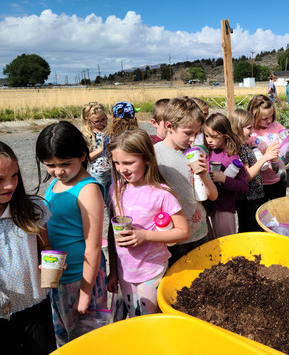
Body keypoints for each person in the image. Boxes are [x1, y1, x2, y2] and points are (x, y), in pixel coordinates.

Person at [35, 121, 107, 347]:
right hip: (58, 276)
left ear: (83, 155)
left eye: (65, 164)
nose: (58, 171)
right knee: (65, 336)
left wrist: (86, 293)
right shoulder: (56, 183)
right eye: (50, 165)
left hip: (81, 277)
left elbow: (93, 245)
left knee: (88, 340)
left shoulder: (88, 189)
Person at [106, 129, 189, 318]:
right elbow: (113, 233)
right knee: (133, 319)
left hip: (151, 273)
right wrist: (113, 271)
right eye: (117, 163)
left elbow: (183, 231)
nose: (121, 169)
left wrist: (145, 235)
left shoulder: (162, 194)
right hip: (124, 273)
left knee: (150, 320)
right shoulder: (115, 189)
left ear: (148, 159)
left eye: (128, 163)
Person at [0, 141, 56, 354]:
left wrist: (52, 264)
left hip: (36, 309)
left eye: (15, 175)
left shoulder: (33, 209)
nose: (10, 185)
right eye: (0, 179)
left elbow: (46, 247)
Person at [154, 97, 217, 265]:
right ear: (169, 126)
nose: (192, 139)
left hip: (200, 231)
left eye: (196, 134)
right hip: (174, 237)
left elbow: (212, 196)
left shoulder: (195, 154)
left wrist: (203, 174)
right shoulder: (155, 156)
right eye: (188, 133)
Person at [229, 109, 279, 232]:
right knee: (248, 230)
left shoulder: (244, 145)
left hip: (254, 197)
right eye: (248, 128)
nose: (252, 131)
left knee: (255, 227)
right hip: (247, 199)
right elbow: (247, 176)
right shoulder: (239, 149)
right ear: (238, 128)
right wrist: (265, 158)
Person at [204, 113, 248, 238]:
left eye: (214, 136)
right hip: (207, 209)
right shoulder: (207, 153)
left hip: (224, 210)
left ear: (226, 136)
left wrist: (224, 179)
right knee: (210, 247)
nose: (209, 140)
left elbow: (244, 187)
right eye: (206, 136)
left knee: (226, 245)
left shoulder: (233, 157)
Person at [247, 95, 287, 201]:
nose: (269, 120)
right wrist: (266, 152)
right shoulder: (250, 133)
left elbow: (286, 149)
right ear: (253, 116)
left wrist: (288, 140)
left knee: (278, 211)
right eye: (264, 118)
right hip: (259, 183)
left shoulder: (277, 127)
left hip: (278, 179)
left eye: (271, 116)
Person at [81, 102, 112, 201]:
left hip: (112, 171)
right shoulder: (87, 135)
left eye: (104, 119)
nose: (102, 122)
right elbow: (86, 158)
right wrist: (101, 149)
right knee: (97, 200)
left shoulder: (109, 130)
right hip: (98, 173)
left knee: (111, 201)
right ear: (88, 120)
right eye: (97, 121)